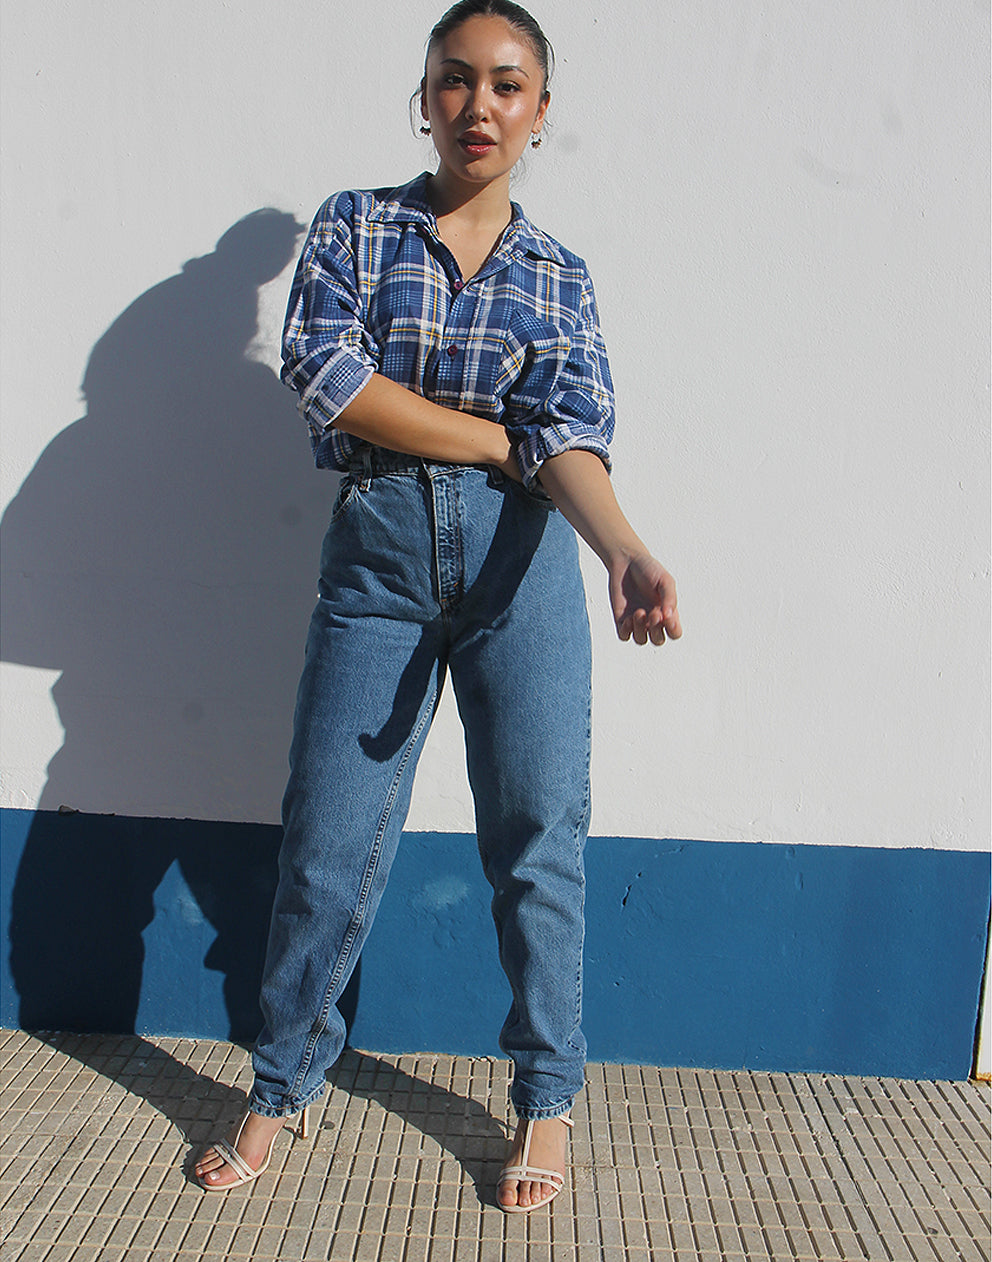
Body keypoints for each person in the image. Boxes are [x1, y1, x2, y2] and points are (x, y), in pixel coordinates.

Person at [195, 0, 681, 1212]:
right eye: (455, 81)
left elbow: (569, 436)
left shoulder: (557, 275)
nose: (479, 105)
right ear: (423, 98)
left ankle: (547, 1100)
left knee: (538, 841)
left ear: (540, 111)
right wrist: (494, 442)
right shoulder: (356, 230)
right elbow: (329, 377)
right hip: (379, 564)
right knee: (326, 838)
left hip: (523, 573)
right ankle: (279, 1086)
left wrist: (620, 546)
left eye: (507, 84)